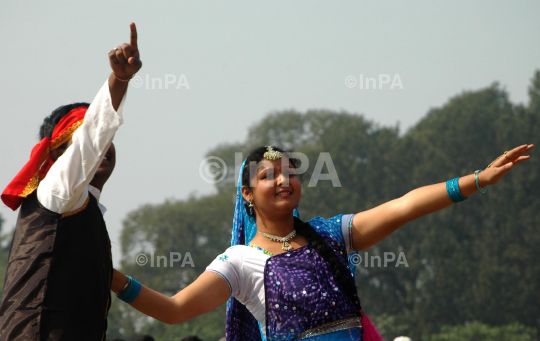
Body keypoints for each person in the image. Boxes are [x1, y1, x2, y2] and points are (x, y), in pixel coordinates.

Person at [110, 144, 533, 341]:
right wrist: (110, 278)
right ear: (246, 194)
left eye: (291, 172)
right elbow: (173, 310)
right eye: (268, 175)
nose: (283, 179)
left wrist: (478, 180)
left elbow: (404, 206)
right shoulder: (239, 262)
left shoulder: (332, 235)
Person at [0, 23, 142, 340]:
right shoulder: (56, 192)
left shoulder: (82, 206)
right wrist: (119, 81)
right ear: (59, 155)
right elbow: (93, 138)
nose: (101, 148)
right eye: (78, 142)